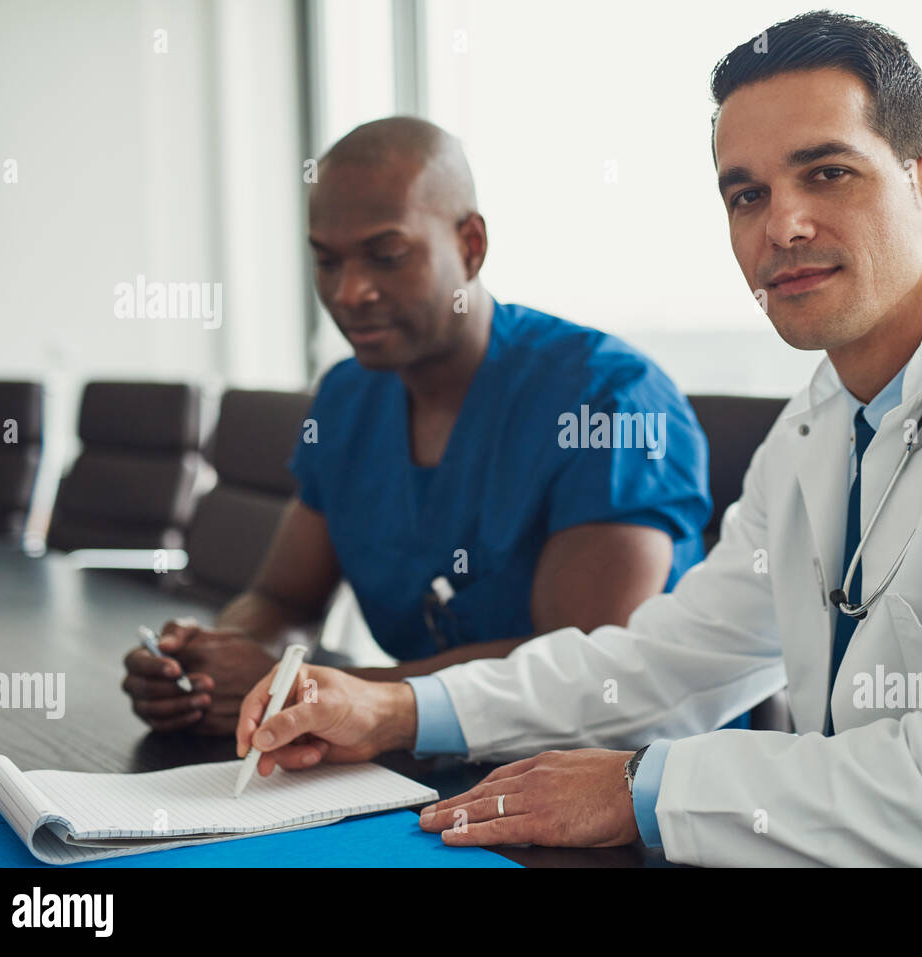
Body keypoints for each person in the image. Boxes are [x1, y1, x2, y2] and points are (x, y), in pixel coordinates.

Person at [234, 12, 922, 865]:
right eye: (747, 193)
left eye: (828, 175)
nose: (783, 225)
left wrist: (645, 787)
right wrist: (400, 712)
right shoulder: (823, 420)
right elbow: (675, 661)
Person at [122, 117, 711, 736]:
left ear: (471, 246)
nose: (349, 292)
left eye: (387, 256)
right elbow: (281, 599)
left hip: (628, 791)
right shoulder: (349, 396)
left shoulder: (610, 400)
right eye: (326, 261)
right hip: (424, 759)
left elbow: (582, 680)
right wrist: (209, 665)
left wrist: (320, 693)